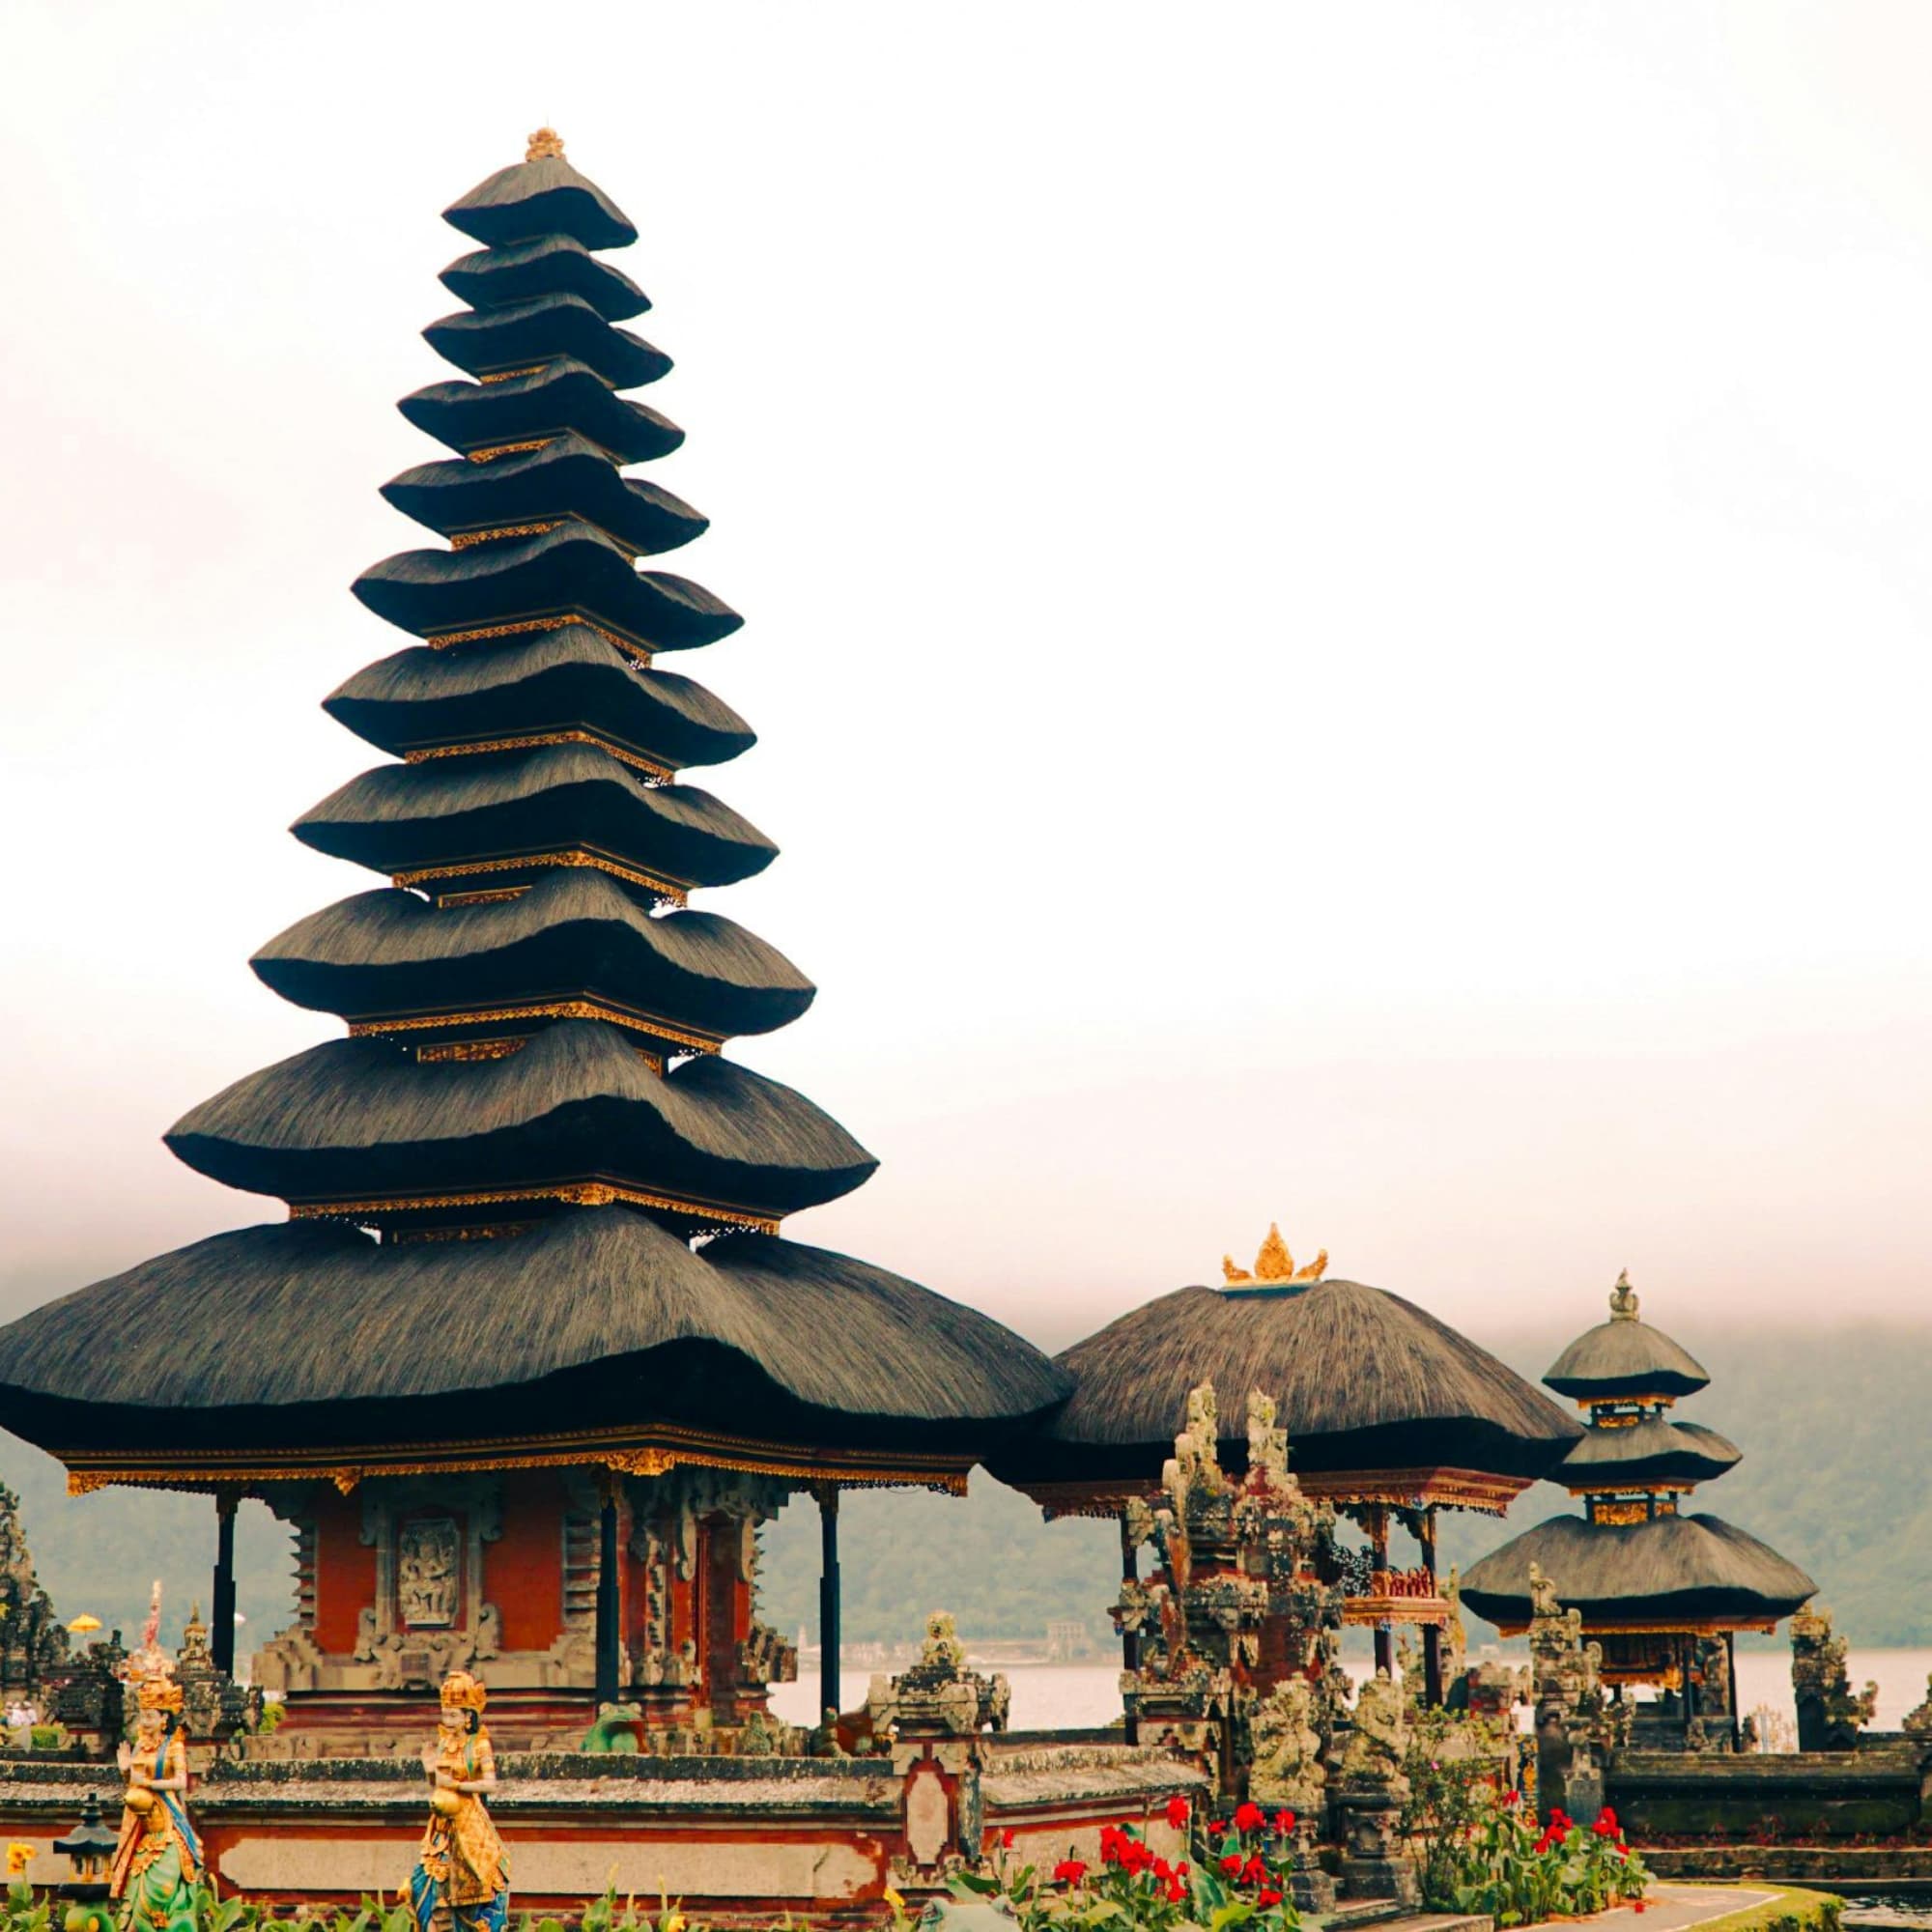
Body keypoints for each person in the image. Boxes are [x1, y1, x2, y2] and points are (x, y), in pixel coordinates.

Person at [409, 1669, 509, 1932]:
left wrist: (459, 1785)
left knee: (476, 1883)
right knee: (425, 1880)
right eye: (445, 1714)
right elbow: (437, 1783)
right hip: (441, 1821)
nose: (448, 1720)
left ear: (468, 1717)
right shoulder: (442, 1743)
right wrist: (431, 1770)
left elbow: (490, 1784)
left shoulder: (480, 1745)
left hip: (468, 1821)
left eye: (453, 1715)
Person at [109, 1673, 200, 1932]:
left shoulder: (174, 1747)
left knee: (161, 1892)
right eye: (143, 1716)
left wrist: (149, 1783)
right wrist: (126, 1771)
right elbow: (133, 1782)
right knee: (136, 1894)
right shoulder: (140, 1746)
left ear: (164, 1719)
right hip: (145, 1831)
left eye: (150, 1716)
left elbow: (181, 1782)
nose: (145, 1722)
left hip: (168, 1829)